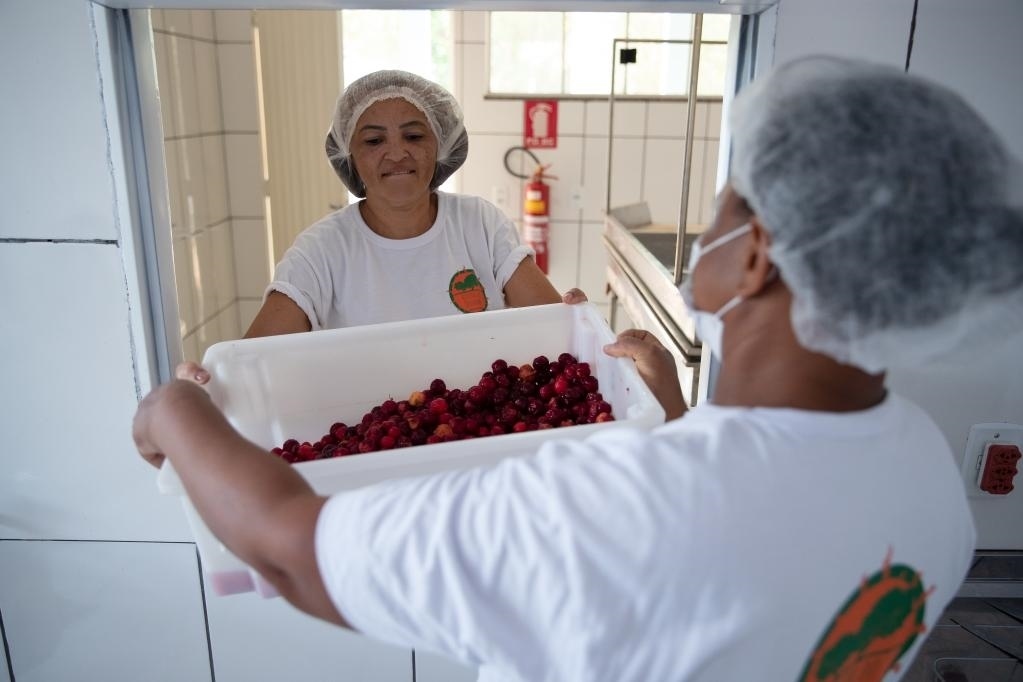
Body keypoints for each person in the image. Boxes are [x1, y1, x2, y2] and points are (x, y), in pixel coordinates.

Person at [134, 55, 1023, 681]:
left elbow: (293, 551)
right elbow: (759, 548)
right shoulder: (925, 474)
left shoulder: (595, 508)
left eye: (722, 204)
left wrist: (172, 411)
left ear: (753, 257)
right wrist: (675, 419)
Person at [179, 69, 574, 381]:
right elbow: (250, 359)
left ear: (440, 145)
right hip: (367, 427)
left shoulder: (479, 223)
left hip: (481, 424)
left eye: (414, 135)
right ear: (349, 155)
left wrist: (578, 321)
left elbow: (557, 325)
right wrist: (208, 382)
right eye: (373, 141)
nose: (397, 153)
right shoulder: (322, 249)